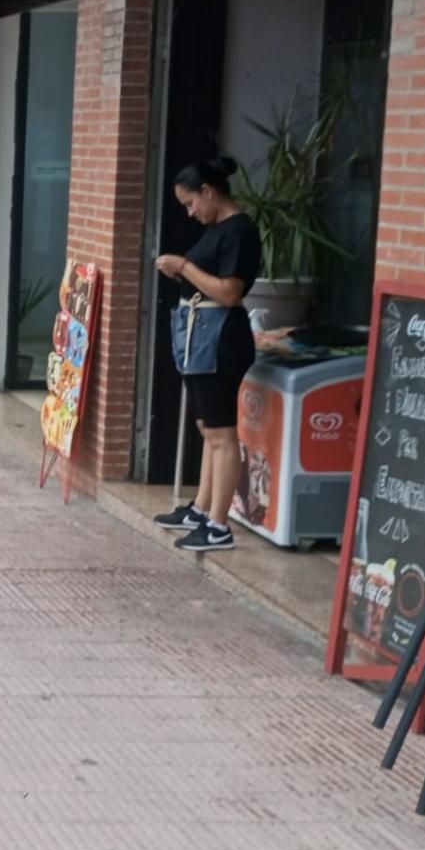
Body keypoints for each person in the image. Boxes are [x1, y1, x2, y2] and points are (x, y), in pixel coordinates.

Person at [154, 155, 263, 554]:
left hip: (220, 338)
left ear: (209, 191)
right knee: (207, 430)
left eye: (191, 203)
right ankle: (202, 508)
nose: (191, 212)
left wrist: (183, 266)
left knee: (222, 433)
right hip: (198, 335)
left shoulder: (240, 231)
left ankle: (219, 524)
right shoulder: (216, 229)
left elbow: (230, 291)